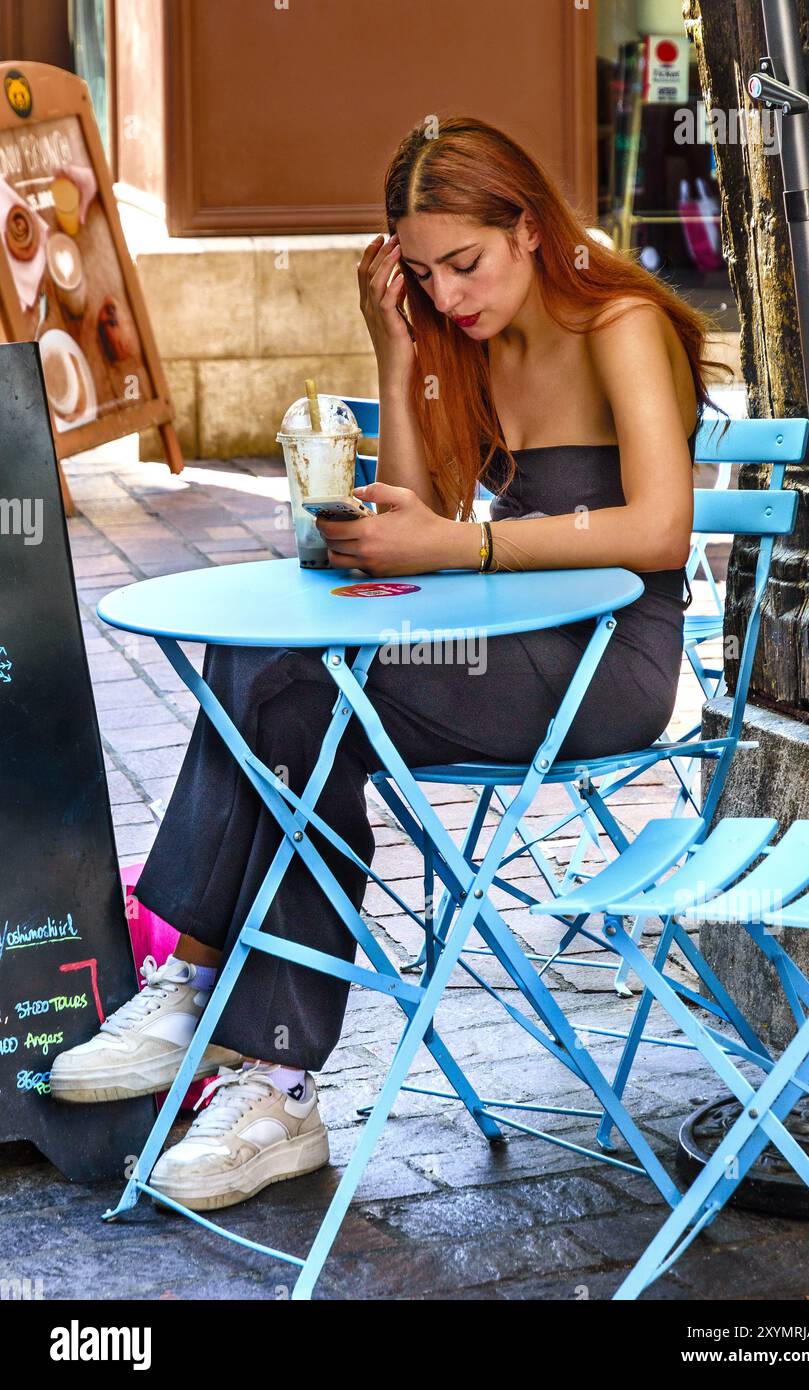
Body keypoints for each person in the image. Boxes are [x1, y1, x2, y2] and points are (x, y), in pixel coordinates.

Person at [50, 115, 729, 1212]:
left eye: (464, 264)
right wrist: (397, 353)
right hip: (500, 637)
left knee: (302, 691)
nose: (450, 293)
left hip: (604, 663)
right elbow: (428, 509)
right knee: (264, 670)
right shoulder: (460, 338)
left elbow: (655, 530)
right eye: (422, 273)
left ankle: (223, 1009)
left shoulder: (620, 324)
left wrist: (455, 545)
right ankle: (247, 1045)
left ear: (526, 225)